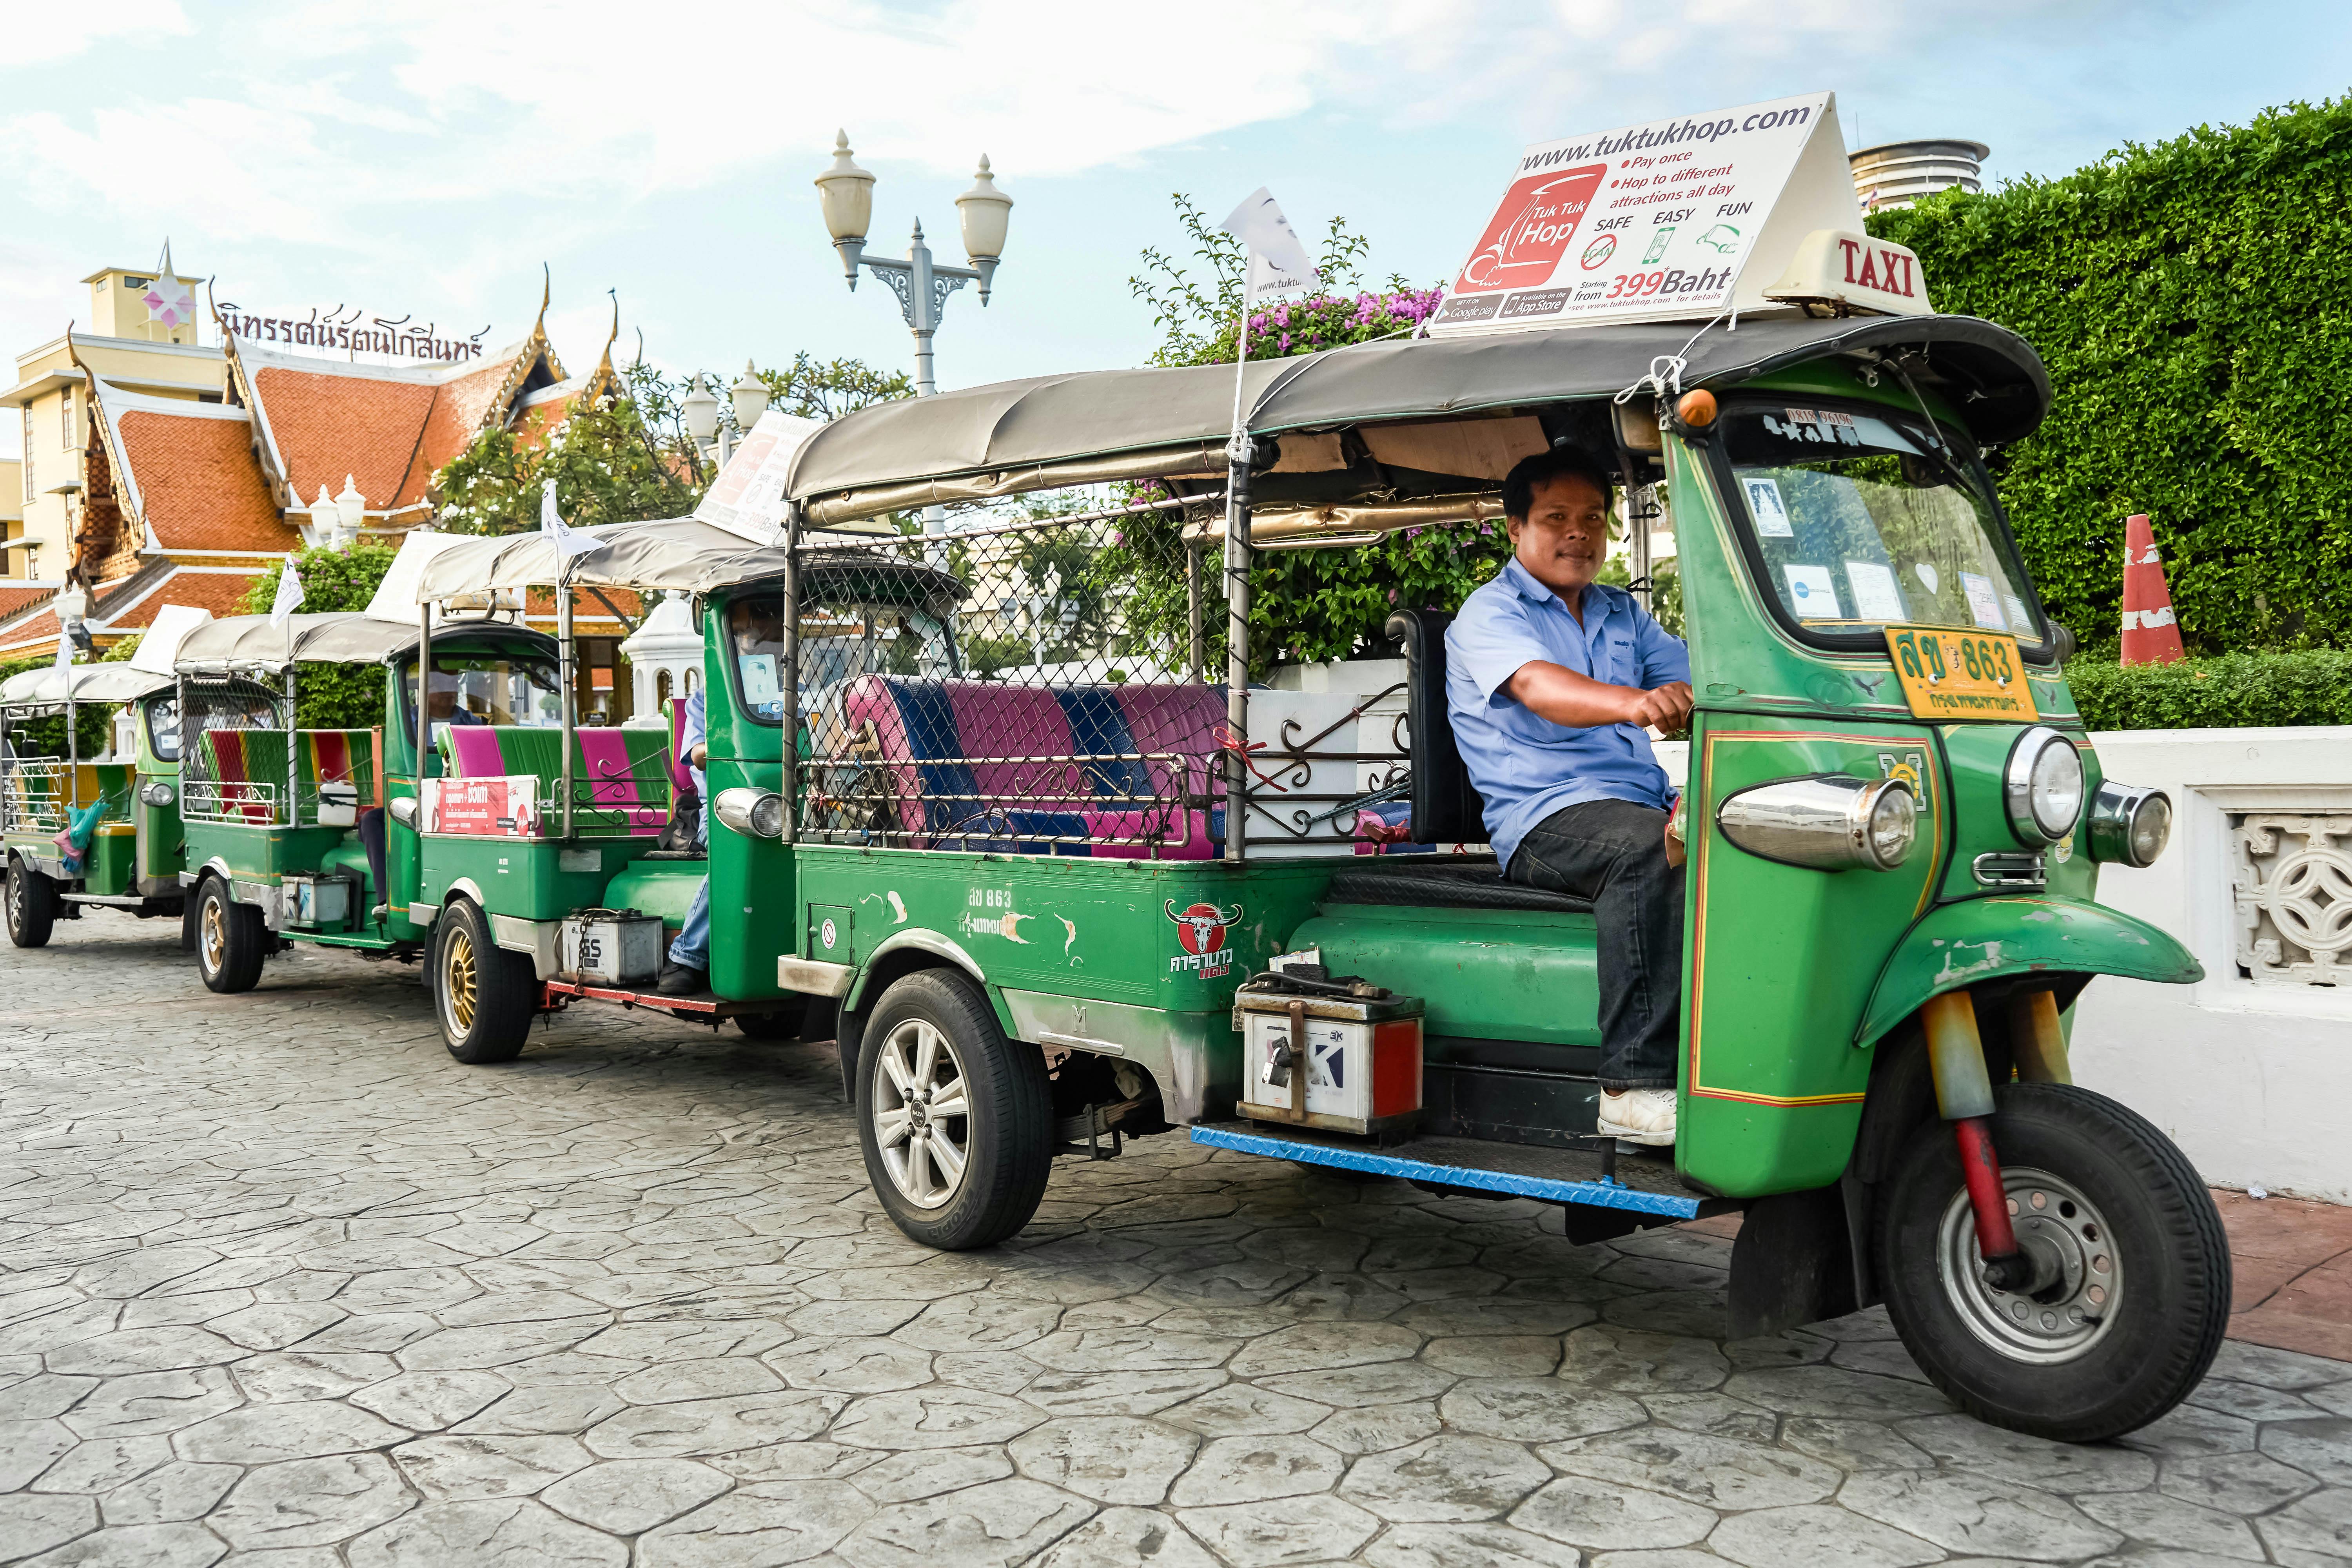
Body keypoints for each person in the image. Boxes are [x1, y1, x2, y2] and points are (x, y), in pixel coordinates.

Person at [1445, 447, 1694, 1146]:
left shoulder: (1622, 613)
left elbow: (1702, 677)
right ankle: (1631, 1087)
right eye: (1557, 517)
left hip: (1638, 801)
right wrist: (1636, 701)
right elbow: (1539, 688)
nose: (1579, 532)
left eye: (1592, 517)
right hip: (1544, 817)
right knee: (1650, 851)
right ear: (1516, 528)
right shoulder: (1490, 612)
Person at [657, 686, 711, 995]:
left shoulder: (800, 692)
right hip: (725, 806)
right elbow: (698, 755)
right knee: (735, 858)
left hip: (797, 801)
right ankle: (686, 955)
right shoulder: (708, 697)